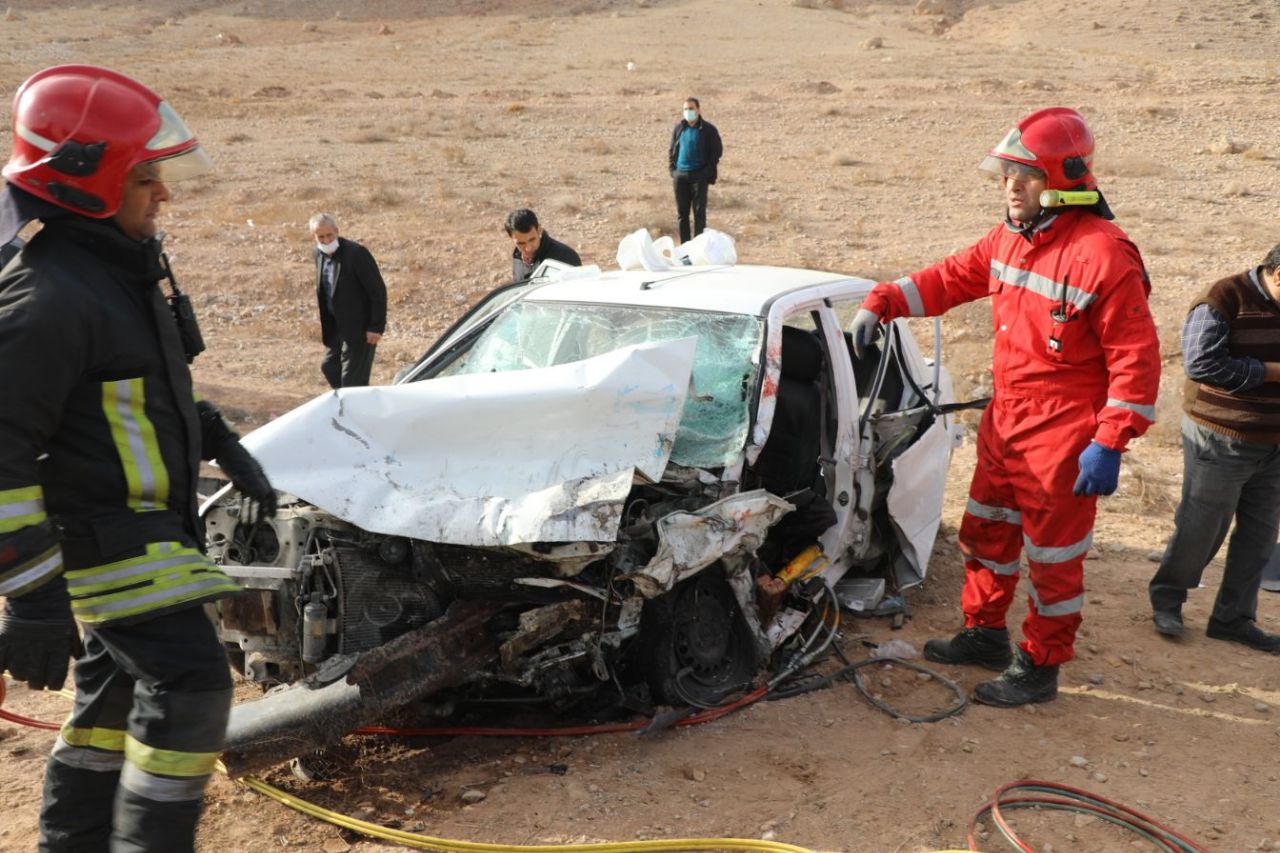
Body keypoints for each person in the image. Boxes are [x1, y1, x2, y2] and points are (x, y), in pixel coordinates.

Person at [0, 64, 277, 852]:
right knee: (192, 682)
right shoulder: (48, 299)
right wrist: (31, 597)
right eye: (146, 177)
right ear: (88, 182)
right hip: (106, 542)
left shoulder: (114, 276)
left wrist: (215, 435)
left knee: (109, 713)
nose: (165, 194)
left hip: (145, 528)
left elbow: (131, 394)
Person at [850, 107, 1161, 707]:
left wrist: (1110, 439)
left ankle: (1040, 666)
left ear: (1065, 181)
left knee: (1052, 559)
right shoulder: (1009, 241)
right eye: (1007, 174)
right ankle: (984, 634)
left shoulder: (1104, 255)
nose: (1011, 187)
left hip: (1065, 434)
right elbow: (947, 279)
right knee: (986, 534)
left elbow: (1136, 360)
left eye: (1027, 175)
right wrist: (883, 299)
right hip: (1006, 420)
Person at [1147, 245, 1280, 653]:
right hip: (1221, 437)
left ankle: (1233, 619)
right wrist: (1272, 372)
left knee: (1259, 536)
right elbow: (1201, 363)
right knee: (1201, 526)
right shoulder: (1225, 297)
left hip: (1274, 444)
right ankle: (1168, 602)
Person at [310, 212, 387, 388]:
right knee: (330, 367)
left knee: (352, 380)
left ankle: (356, 410)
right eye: (321, 237)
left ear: (337, 231)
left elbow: (377, 291)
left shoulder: (356, 254)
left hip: (360, 329)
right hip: (337, 327)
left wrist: (376, 327)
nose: (326, 240)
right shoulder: (318, 254)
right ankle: (347, 405)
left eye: (329, 235)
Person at [668, 97, 723, 245]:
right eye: (685, 109)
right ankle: (685, 250)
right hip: (680, 176)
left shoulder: (708, 130)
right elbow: (672, 150)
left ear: (698, 110)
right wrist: (673, 170)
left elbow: (716, 153)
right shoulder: (679, 128)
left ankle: (698, 248)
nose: (688, 112)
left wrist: (705, 173)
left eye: (691, 108)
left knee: (699, 214)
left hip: (699, 176)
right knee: (682, 215)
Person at [505, 208, 581, 281]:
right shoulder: (518, 256)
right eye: (521, 243)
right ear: (511, 238)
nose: (528, 248)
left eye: (532, 240)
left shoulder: (565, 257)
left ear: (539, 230)